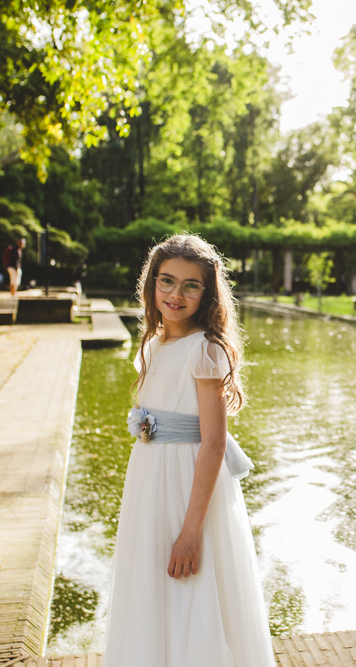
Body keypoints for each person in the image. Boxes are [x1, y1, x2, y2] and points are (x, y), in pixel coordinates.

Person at [104, 234, 275, 667]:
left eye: (191, 285)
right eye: (167, 281)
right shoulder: (153, 344)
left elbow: (214, 442)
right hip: (149, 481)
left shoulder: (205, 350)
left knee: (190, 592)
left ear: (208, 292)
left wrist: (192, 529)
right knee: (149, 585)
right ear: (151, 285)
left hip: (187, 486)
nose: (176, 294)